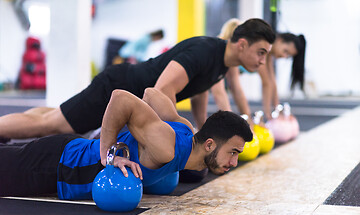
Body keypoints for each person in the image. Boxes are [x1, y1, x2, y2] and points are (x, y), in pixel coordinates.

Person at [0, 18, 275, 143]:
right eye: (260, 52)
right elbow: (161, 90)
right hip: (116, 88)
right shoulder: (206, 50)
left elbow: (198, 92)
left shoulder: (221, 63)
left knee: (53, 117)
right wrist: (184, 129)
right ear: (241, 44)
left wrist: (203, 135)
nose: (263, 61)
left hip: (125, 94)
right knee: (50, 126)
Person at [0, 88, 253, 199]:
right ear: (209, 144)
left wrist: (134, 138)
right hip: (59, 166)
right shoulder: (167, 147)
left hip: (65, 153)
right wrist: (109, 154)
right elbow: (121, 98)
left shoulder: (185, 129)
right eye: (232, 152)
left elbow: (152, 94)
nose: (234, 161)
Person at [210, 18, 306, 121]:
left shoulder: (264, 57)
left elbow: (271, 82)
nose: (283, 56)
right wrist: (266, 115)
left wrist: (275, 110)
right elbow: (223, 92)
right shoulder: (223, 54)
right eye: (285, 51)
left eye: (288, 56)